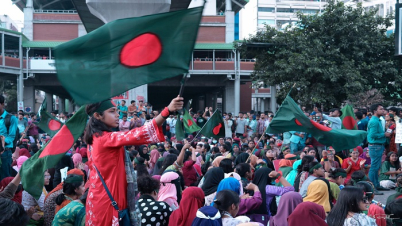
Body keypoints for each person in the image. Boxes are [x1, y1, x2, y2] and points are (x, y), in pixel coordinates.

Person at [84, 96, 182, 225]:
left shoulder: (93, 140)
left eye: (117, 111)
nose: (117, 115)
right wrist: (166, 111)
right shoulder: (104, 139)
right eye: (112, 111)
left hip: (99, 201)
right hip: (109, 206)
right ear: (97, 115)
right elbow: (139, 133)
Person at [367, 103, 390, 193]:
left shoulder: (377, 120)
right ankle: (372, 188)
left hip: (378, 146)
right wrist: (384, 134)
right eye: (381, 109)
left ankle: (376, 185)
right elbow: (372, 135)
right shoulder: (374, 121)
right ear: (375, 111)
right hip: (375, 146)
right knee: (374, 167)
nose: (383, 110)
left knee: (376, 167)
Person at [0, 95, 18, 180]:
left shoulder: (11, 118)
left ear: (2, 104)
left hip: (4, 153)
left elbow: (11, 136)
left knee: (4, 179)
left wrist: (2, 141)